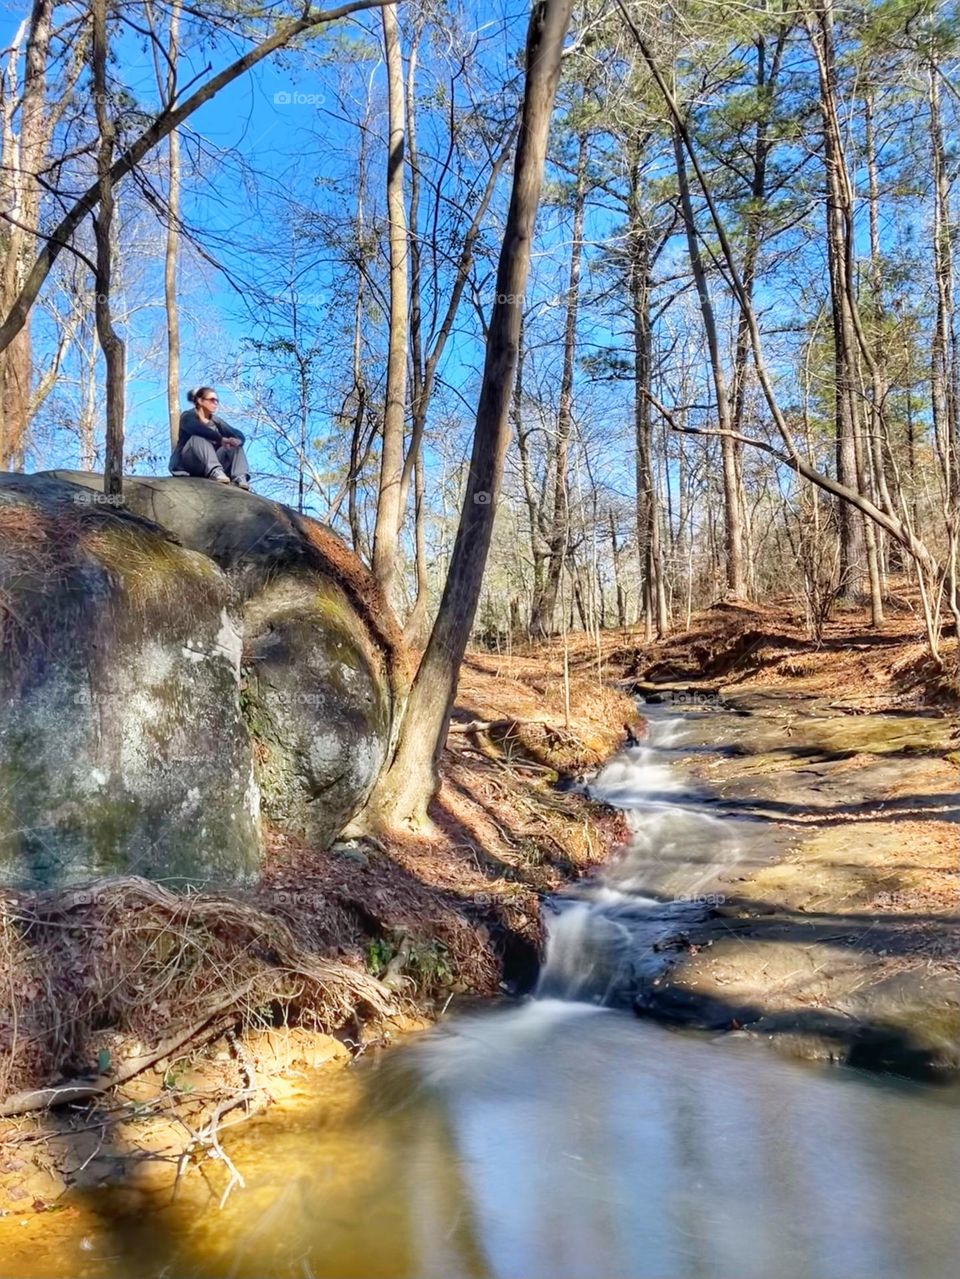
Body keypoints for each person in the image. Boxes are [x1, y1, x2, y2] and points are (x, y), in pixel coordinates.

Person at [169, 387, 251, 489]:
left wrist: (238, 440)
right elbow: (196, 429)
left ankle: (240, 477)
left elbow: (237, 433)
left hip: (210, 463)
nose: (215, 403)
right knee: (197, 438)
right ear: (200, 401)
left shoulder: (216, 421)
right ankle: (215, 471)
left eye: (217, 400)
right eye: (212, 400)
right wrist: (220, 439)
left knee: (234, 446)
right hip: (191, 462)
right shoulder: (187, 416)